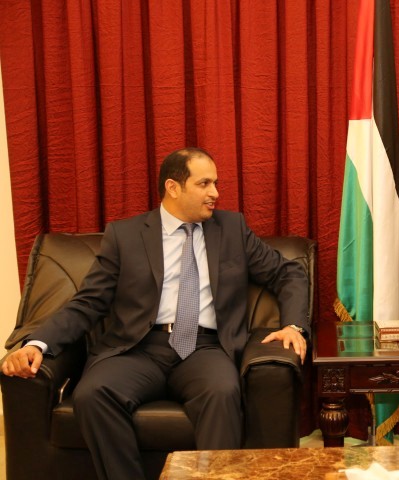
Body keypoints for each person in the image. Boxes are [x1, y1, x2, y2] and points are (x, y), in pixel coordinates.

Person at [1, 147, 310, 480]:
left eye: (215, 183)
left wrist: (293, 326)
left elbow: (288, 273)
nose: (215, 193)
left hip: (206, 348)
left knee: (222, 393)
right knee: (92, 394)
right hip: (137, 348)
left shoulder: (232, 229)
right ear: (173, 187)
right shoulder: (126, 235)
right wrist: (39, 344)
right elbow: (88, 302)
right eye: (204, 184)